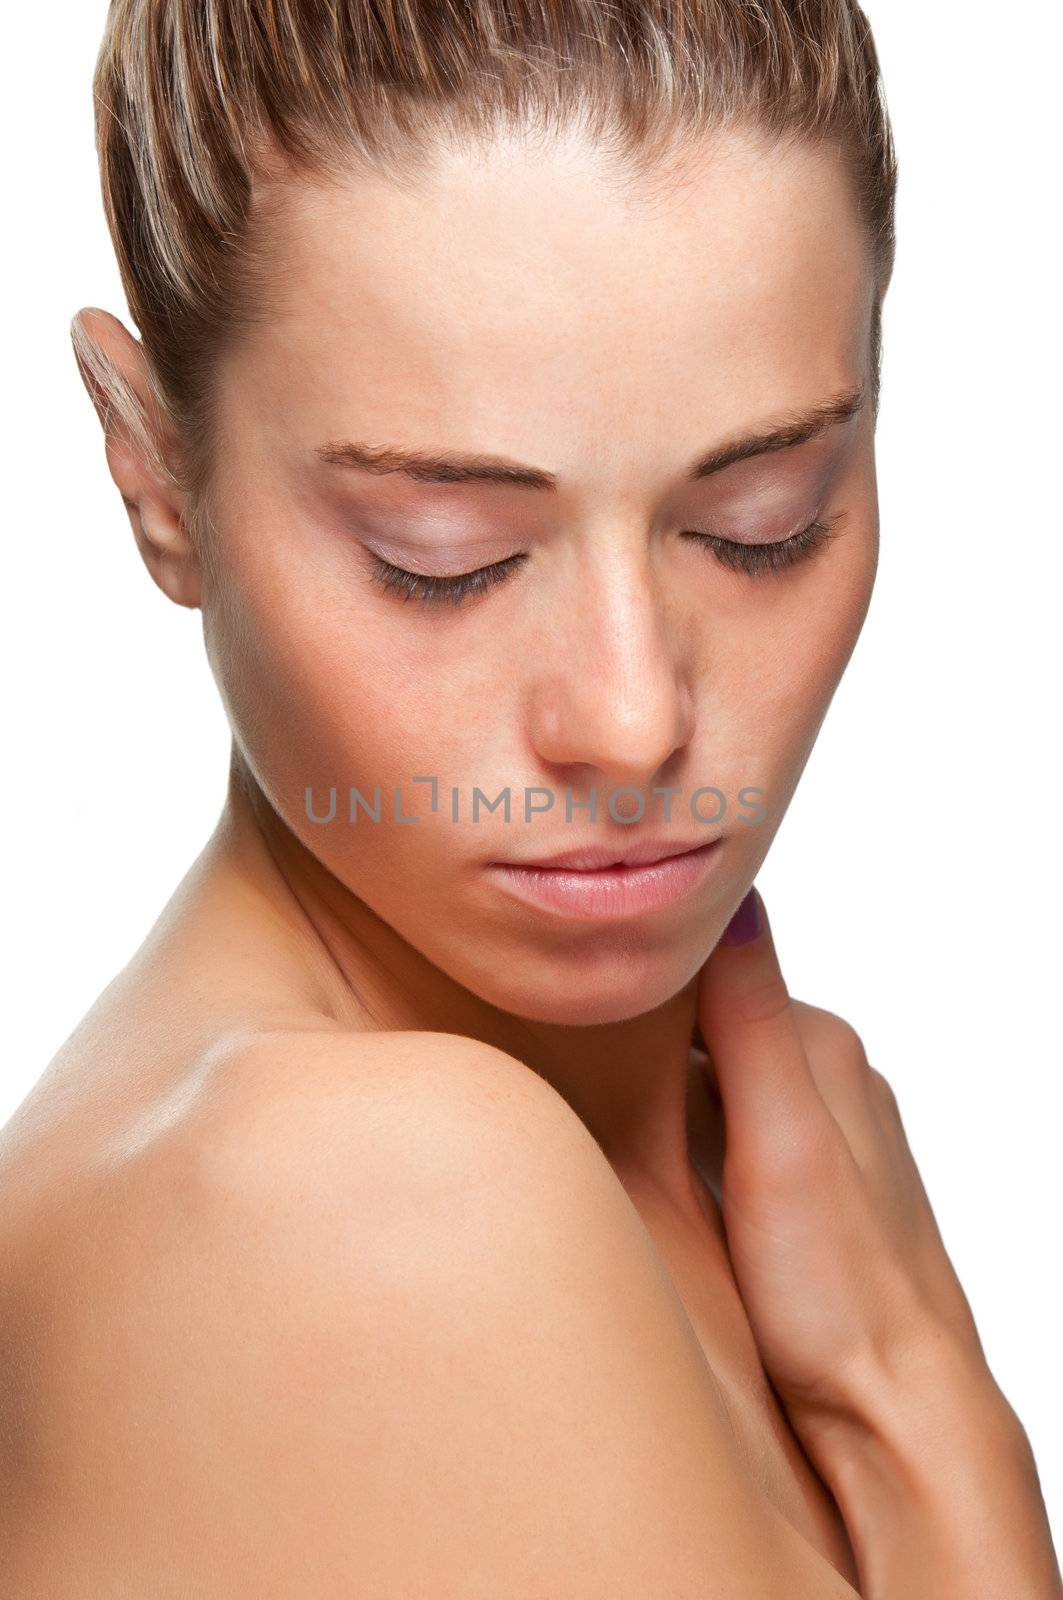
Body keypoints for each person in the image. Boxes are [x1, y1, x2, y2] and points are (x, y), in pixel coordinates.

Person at [1, 0, 1059, 1593]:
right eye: (448, 561)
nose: (633, 719)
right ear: (157, 477)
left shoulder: (745, 1164)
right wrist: (916, 1403)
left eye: (764, 523)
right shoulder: (353, 1202)